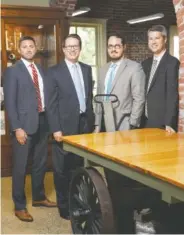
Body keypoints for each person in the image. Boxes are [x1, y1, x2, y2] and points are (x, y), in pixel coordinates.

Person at [3, 36, 56, 222]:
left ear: (35, 48)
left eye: (31, 46)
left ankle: (39, 197)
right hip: (24, 126)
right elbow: (10, 102)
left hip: (42, 122)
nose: (28, 49)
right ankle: (19, 206)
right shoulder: (12, 71)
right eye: (24, 46)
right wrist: (17, 127)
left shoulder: (40, 69)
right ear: (19, 49)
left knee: (40, 163)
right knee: (20, 167)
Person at [46, 34, 95, 219]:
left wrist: (94, 123)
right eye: (69, 46)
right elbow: (51, 104)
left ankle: (79, 203)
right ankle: (64, 207)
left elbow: (89, 98)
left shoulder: (87, 69)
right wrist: (56, 129)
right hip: (64, 128)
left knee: (80, 166)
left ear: (80, 48)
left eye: (76, 46)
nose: (72, 49)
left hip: (84, 125)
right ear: (63, 49)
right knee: (61, 169)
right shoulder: (54, 72)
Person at [95, 33, 145, 132]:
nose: (113, 49)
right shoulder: (103, 69)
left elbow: (139, 98)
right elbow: (99, 98)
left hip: (124, 124)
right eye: (110, 46)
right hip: (104, 123)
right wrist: (97, 124)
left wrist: (132, 124)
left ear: (124, 47)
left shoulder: (134, 68)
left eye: (117, 46)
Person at [141, 25, 180, 132]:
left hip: (162, 123)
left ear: (165, 39)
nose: (153, 42)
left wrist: (169, 123)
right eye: (150, 38)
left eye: (157, 38)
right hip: (145, 121)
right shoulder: (145, 64)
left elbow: (172, 95)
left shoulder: (172, 63)